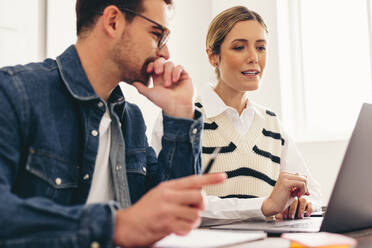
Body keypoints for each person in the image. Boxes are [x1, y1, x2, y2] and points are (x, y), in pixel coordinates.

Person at [0, 0, 230, 247]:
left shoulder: (131, 120)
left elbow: (173, 217)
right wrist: (115, 225)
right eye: (157, 35)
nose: (165, 54)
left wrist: (180, 113)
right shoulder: (14, 93)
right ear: (113, 21)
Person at [151, 5, 321, 223]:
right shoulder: (181, 119)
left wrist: (303, 203)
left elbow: (314, 194)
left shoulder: (273, 125)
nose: (254, 57)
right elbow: (178, 204)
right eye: (239, 47)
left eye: (261, 47)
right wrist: (264, 205)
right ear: (213, 57)